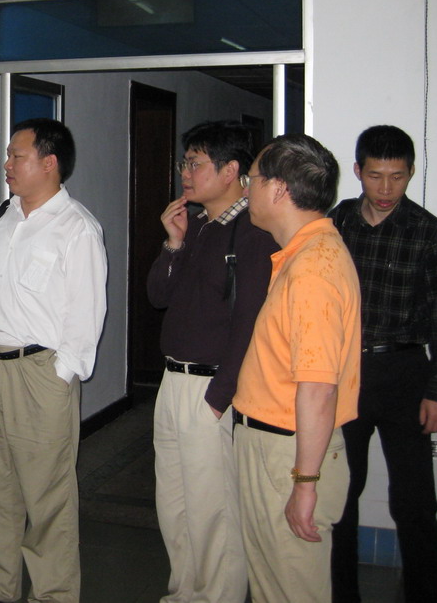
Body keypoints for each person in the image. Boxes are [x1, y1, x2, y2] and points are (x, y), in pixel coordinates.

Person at [0, 118, 108, 603]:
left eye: (16, 156)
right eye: (9, 155)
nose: (7, 165)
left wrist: (61, 375)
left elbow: (86, 314)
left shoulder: (77, 227)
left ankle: (53, 593)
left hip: (39, 373)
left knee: (46, 495)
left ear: (49, 163)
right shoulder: (3, 213)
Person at [329, 125, 437, 603]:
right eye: (375, 176)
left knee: (415, 504)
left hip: (406, 373)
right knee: (340, 498)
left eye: (398, 177)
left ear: (410, 173)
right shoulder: (336, 223)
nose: (386, 189)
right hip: (346, 374)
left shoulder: (430, 233)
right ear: (358, 171)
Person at [146, 120, 278, 603]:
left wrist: (220, 397)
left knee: (214, 511)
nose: (185, 172)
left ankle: (217, 596)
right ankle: (184, 592)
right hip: (173, 381)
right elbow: (158, 296)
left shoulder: (253, 233)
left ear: (230, 171)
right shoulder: (197, 224)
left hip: (213, 388)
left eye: (195, 163)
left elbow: (250, 325)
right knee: (175, 503)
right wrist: (173, 243)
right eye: (185, 162)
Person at [233, 133, 361, 603]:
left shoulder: (313, 268)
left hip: (287, 453)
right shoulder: (303, 254)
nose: (246, 189)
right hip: (275, 446)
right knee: (273, 587)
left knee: (291, 590)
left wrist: (305, 483)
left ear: (279, 189)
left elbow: (318, 388)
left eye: (252, 179)